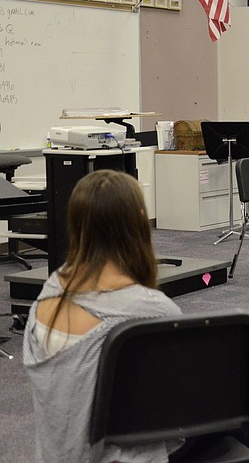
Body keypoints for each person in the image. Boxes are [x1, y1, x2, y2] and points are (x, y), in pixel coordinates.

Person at [22, 170, 182, 463]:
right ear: (139, 219)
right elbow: (175, 411)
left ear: (75, 224)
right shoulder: (156, 310)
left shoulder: (49, 293)